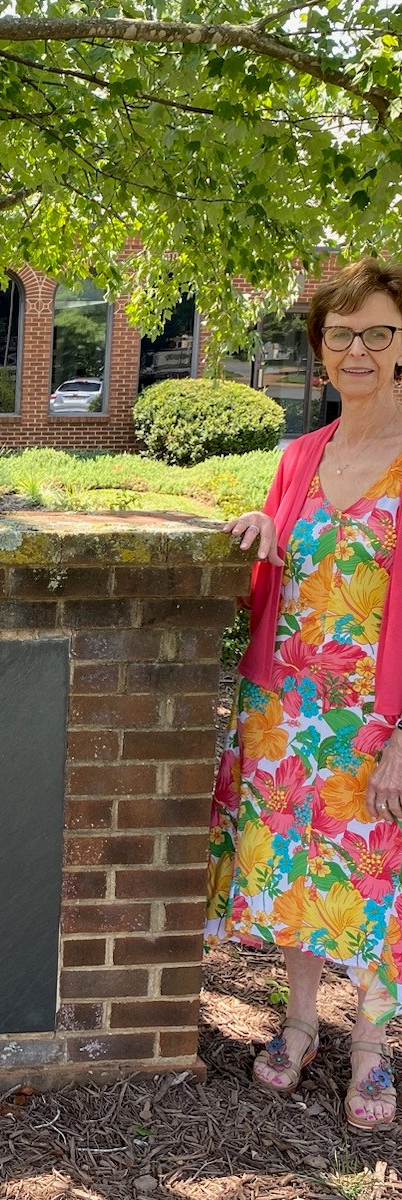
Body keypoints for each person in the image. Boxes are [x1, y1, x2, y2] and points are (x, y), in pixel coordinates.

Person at [205, 256, 402, 1133]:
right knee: (295, 876)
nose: (357, 349)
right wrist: (258, 532)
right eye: (341, 334)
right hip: (287, 713)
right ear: (322, 349)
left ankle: (371, 1046)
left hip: (374, 718)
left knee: (377, 885)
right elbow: (281, 553)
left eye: (377, 332)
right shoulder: (299, 456)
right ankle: (297, 1025)